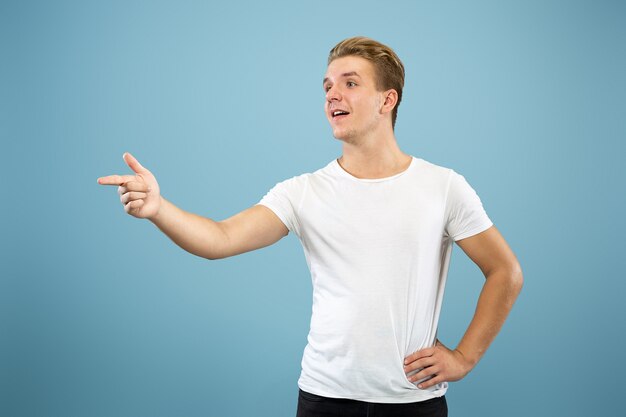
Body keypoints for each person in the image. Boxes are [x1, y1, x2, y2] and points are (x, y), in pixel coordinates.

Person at [98, 36, 523, 417]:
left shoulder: (443, 186)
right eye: (327, 86)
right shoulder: (302, 192)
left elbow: (505, 272)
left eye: (350, 83)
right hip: (324, 399)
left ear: (387, 100)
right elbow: (220, 238)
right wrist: (158, 208)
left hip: (413, 401)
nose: (332, 94)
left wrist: (465, 357)